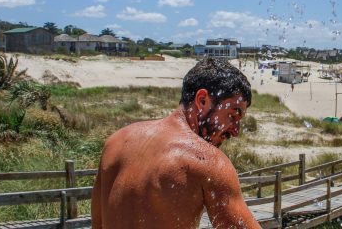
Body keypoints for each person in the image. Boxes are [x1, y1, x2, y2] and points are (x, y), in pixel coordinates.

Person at [91, 58, 260, 229]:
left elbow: (97, 225)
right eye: (233, 115)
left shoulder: (116, 142)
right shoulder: (208, 162)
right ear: (202, 100)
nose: (236, 131)